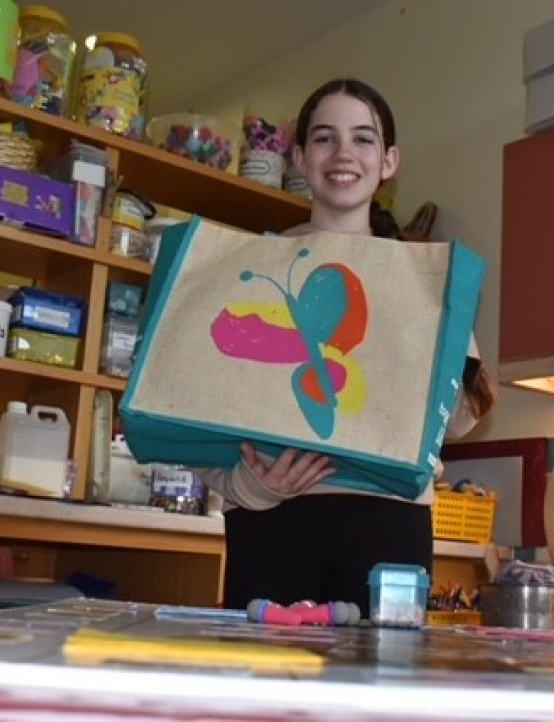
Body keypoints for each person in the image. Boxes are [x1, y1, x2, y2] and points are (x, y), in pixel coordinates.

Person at [196, 78, 495, 615]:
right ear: (298, 157)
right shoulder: (248, 269)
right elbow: (195, 408)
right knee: (269, 690)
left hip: (390, 521)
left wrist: (433, 360)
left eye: (362, 139)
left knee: (379, 688)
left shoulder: (426, 279)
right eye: (324, 138)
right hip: (271, 517)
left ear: (389, 161)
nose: (343, 154)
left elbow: (461, 417)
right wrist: (248, 485)